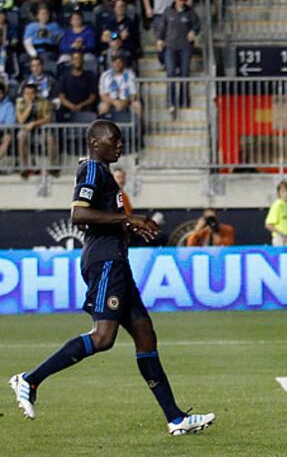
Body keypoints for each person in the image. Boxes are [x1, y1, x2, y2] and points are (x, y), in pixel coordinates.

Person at [8, 120, 216, 435]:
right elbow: (78, 215)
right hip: (104, 261)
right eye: (114, 140)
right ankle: (30, 379)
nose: (120, 145)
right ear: (95, 142)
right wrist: (127, 217)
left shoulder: (103, 173)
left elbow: (99, 217)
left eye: (120, 140)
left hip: (116, 261)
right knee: (103, 337)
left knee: (146, 335)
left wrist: (128, 226)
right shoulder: (91, 169)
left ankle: (175, 419)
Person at [156, 0, 200, 116]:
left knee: (185, 74)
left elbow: (197, 25)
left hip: (185, 47)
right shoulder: (168, 12)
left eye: (184, 0)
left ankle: (184, 100)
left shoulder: (190, 12)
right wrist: (159, 40)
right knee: (170, 74)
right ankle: (171, 102)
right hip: (170, 47)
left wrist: (194, 32)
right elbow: (162, 28)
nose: (182, 2)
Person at [16, 83, 56, 179]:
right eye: (27, 93)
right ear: (23, 94)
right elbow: (21, 120)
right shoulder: (20, 103)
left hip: (41, 128)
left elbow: (48, 118)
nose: (29, 96)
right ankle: (24, 167)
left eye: (31, 93)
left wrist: (34, 123)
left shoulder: (43, 102)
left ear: (36, 93)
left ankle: (53, 166)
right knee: (21, 137)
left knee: (51, 139)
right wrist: (29, 106)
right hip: (26, 130)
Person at [98, 52, 141, 116]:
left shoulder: (130, 74)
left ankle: (138, 126)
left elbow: (134, 94)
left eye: (119, 62)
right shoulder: (105, 75)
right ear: (112, 63)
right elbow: (103, 96)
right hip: (111, 102)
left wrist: (125, 102)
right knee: (103, 106)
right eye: (115, 62)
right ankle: (103, 125)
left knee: (137, 105)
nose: (117, 64)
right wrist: (114, 102)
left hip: (127, 101)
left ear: (123, 63)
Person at [58, 52, 98, 117]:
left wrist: (80, 106)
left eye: (80, 59)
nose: (78, 61)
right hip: (67, 108)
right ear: (71, 61)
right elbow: (62, 97)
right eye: (75, 59)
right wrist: (71, 106)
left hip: (87, 107)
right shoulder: (64, 77)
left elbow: (92, 97)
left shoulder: (90, 76)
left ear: (83, 61)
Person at [265, 180, 287, 246]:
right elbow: (269, 224)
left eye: (286, 191)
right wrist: (282, 235)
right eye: (282, 191)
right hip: (280, 239)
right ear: (279, 193)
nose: (285, 193)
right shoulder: (277, 204)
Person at [0, 82, 14, 165]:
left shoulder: (9, 105)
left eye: (0, 93)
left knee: (7, 138)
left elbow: (10, 122)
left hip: (4, 130)